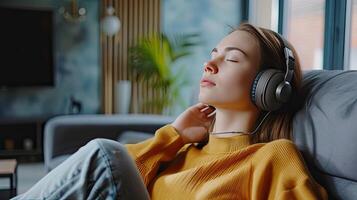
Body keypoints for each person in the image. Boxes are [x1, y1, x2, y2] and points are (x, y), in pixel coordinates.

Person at [12, 23, 328, 200]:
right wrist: (173, 135)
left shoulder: (272, 158)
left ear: (268, 86)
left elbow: (108, 165)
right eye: (213, 54)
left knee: (106, 153)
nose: (209, 64)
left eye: (231, 59)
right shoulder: (181, 150)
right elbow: (104, 185)